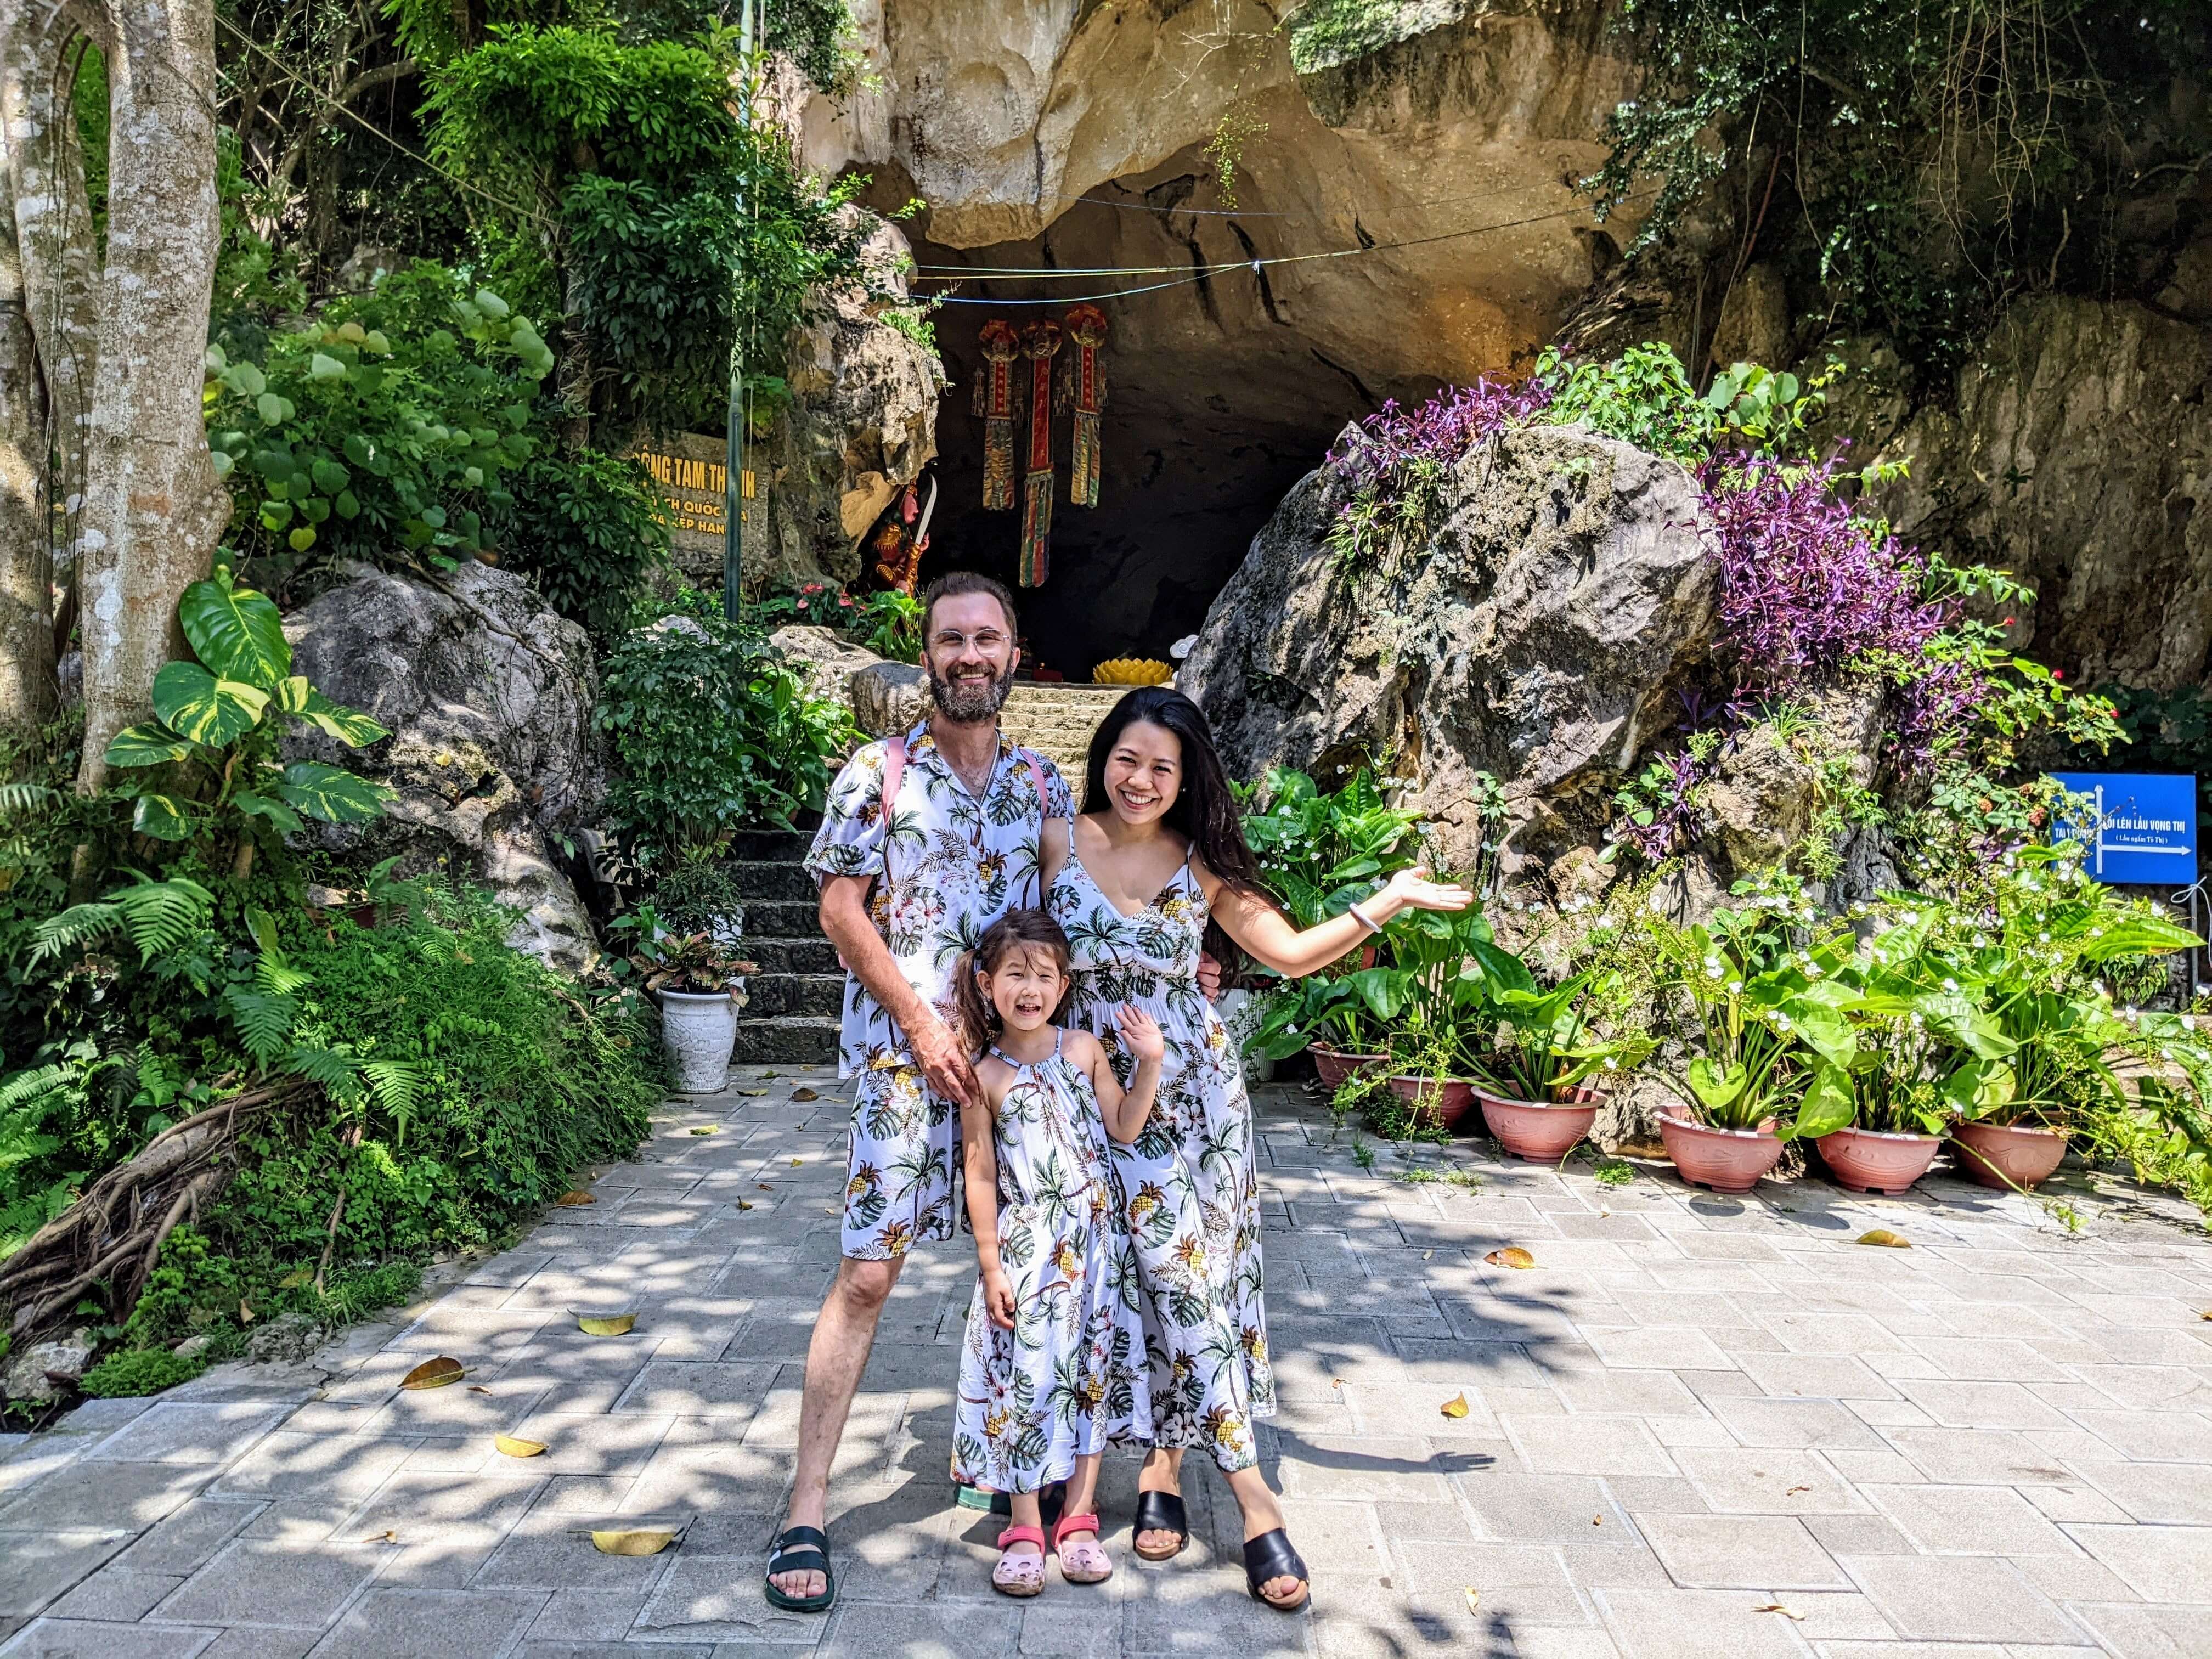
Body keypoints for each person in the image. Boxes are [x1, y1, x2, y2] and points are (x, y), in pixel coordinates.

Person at [1040, 685, 1472, 1613]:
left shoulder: (1198, 864)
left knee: (1194, 1272)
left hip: (1195, 1095)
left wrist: (1387, 898)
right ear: (1102, 754)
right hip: (1090, 1089)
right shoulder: (1054, 840)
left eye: (1164, 766)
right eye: (1128, 757)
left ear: (1187, 776)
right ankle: (1236, 1491)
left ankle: (1166, 1465)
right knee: (1131, 1274)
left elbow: (1288, 952)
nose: (1142, 778)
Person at [765, 571, 1076, 1613]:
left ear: (1015, 652)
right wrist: (921, 1018)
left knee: (1030, 1268)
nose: (970, 654)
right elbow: (841, 911)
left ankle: (1027, 1482)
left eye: (988, 637)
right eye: (953, 638)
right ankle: (806, 1502)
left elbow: (1076, 903)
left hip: (1017, 1076)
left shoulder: (1041, 783)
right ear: (926, 652)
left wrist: (1187, 959)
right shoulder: (878, 770)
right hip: (907, 1066)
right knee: (866, 1277)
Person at [948, 909, 1163, 1596]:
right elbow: (978, 1171)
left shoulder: (1084, 1051)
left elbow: (1126, 1128)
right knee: (1027, 1380)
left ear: (1065, 984)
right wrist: (989, 1264)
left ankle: (1077, 1519)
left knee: (1090, 1376)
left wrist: (1151, 1062)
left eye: (1045, 976)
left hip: (1096, 1249)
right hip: (1030, 1251)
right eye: (1016, 975)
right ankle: (1022, 1527)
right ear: (987, 984)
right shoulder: (982, 1075)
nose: (1030, 989)